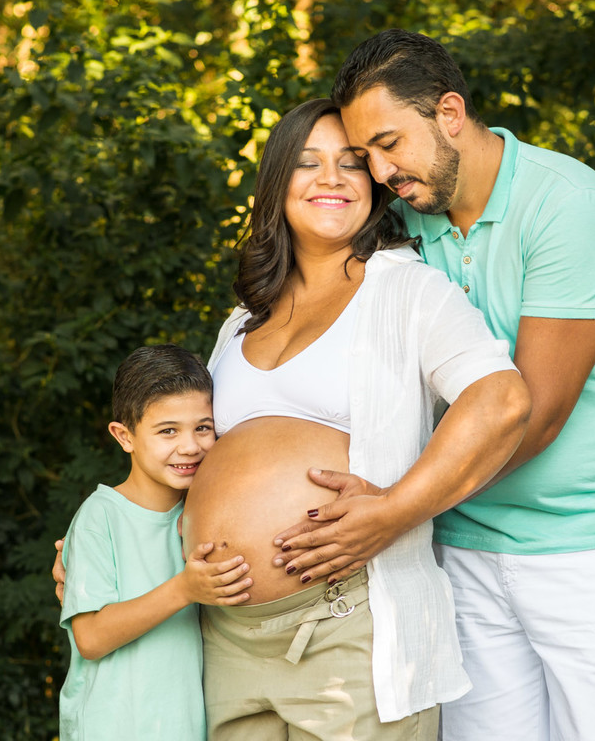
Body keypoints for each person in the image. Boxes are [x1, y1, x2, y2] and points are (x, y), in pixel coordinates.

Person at [272, 30, 595, 741]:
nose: (380, 170)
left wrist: (397, 507)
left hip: (590, 548)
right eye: (367, 156)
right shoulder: (402, 225)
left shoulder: (567, 205)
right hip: (458, 550)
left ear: (451, 112)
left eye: (391, 143)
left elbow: (537, 411)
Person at [181, 98, 529, 740]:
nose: (333, 179)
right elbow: (188, 462)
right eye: (308, 163)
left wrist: (397, 508)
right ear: (276, 183)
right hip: (224, 635)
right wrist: (109, 548)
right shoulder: (241, 321)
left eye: (351, 164)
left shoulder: (407, 290)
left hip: (352, 625)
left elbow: (499, 401)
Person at [58, 345, 253, 741]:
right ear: (124, 436)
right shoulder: (100, 517)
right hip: (113, 726)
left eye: (203, 427)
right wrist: (184, 589)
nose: (190, 446)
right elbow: (91, 638)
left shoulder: (203, 517)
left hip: (183, 726)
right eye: (168, 431)